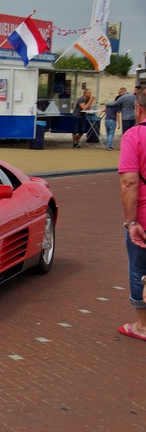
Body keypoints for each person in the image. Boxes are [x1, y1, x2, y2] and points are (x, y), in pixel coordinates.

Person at [118, 87, 146, 341]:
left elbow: (129, 182)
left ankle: (142, 325)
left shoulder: (134, 136)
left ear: (138, 109)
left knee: (139, 269)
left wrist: (131, 221)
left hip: (144, 218)